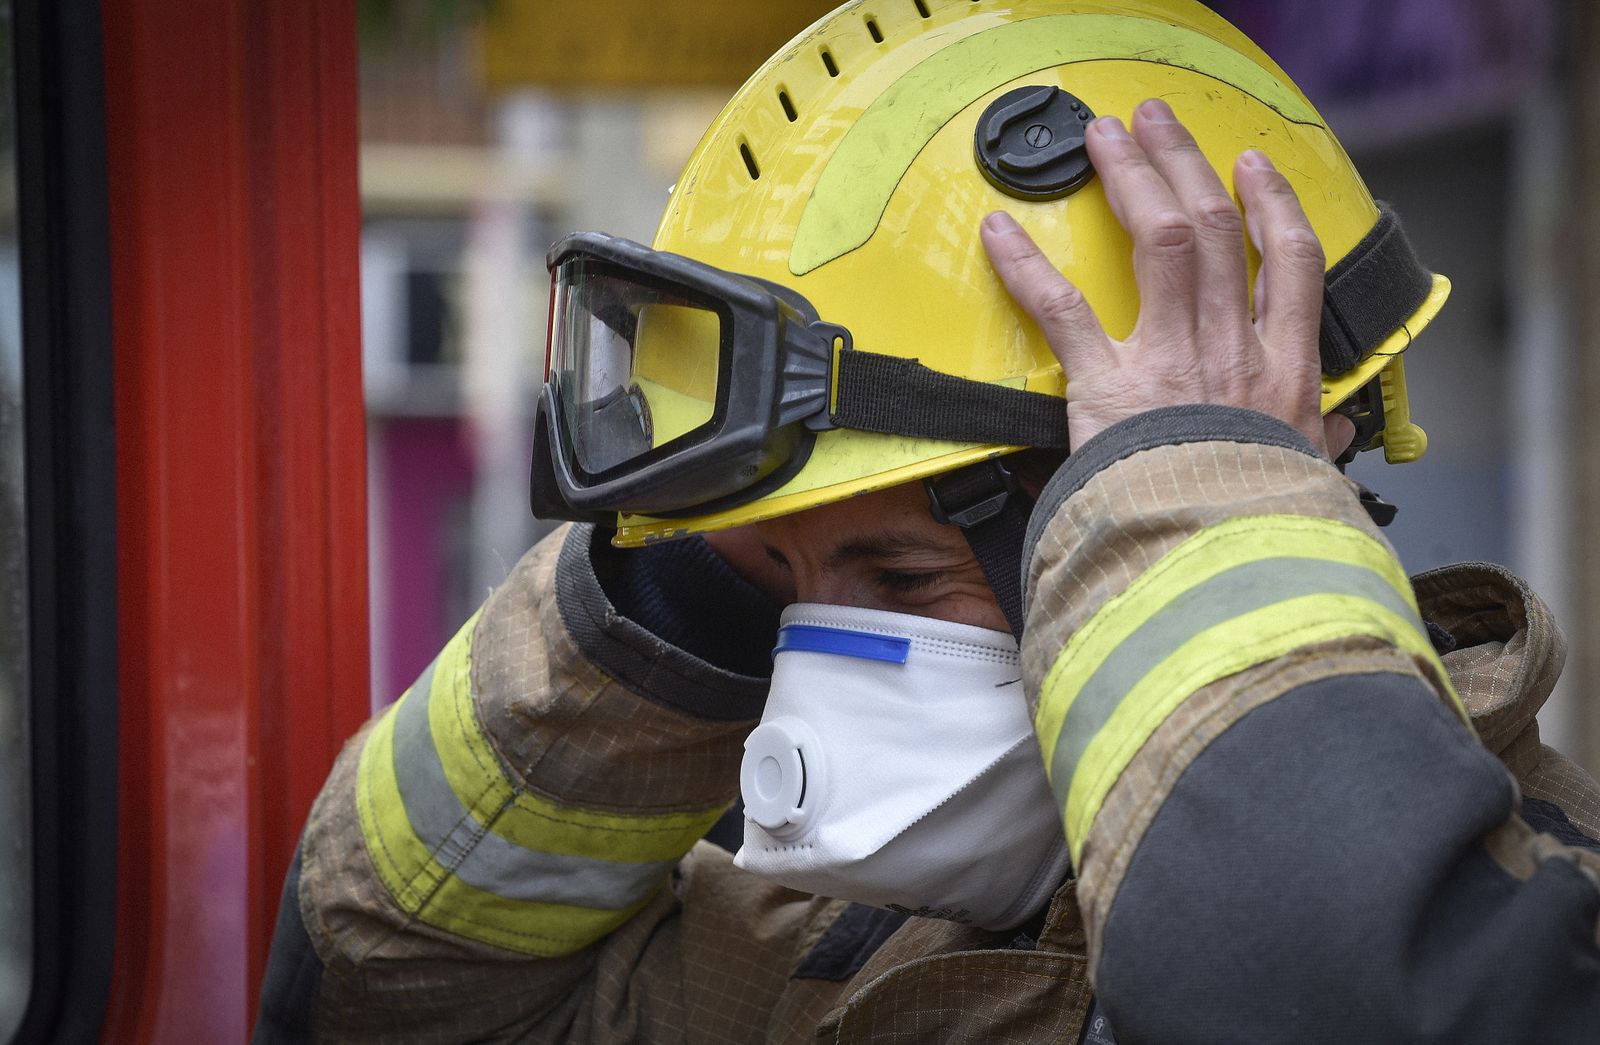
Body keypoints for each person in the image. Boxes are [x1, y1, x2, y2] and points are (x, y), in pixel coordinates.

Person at [255, 1, 1600, 1041]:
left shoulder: (1539, 911)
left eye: (896, 573)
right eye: (783, 592)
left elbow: (1349, 1002)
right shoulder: (834, 950)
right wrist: (681, 605)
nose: (809, 671)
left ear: (1220, 498)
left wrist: (1188, 493)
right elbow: (387, 987)